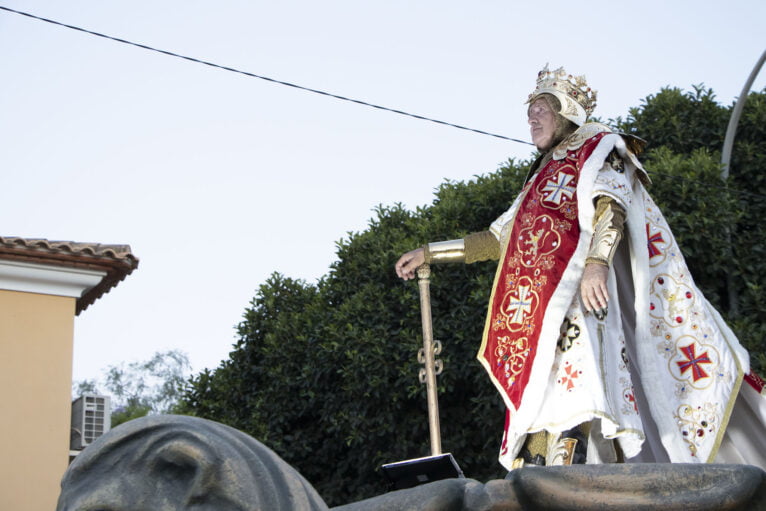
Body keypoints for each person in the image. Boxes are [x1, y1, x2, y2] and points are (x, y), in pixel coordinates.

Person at [395, 64, 766, 471]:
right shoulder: (539, 179)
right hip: (541, 316)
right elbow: (497, 240)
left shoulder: (599, 147)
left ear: (567, 110)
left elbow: (612, 204)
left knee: (578, 394)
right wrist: (429, 252)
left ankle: (572, 473)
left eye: (541, 108)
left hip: (582, 302)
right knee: (539, 400)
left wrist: (595, 266)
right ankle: (538, 474)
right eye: (529, 111)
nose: (531, 117)